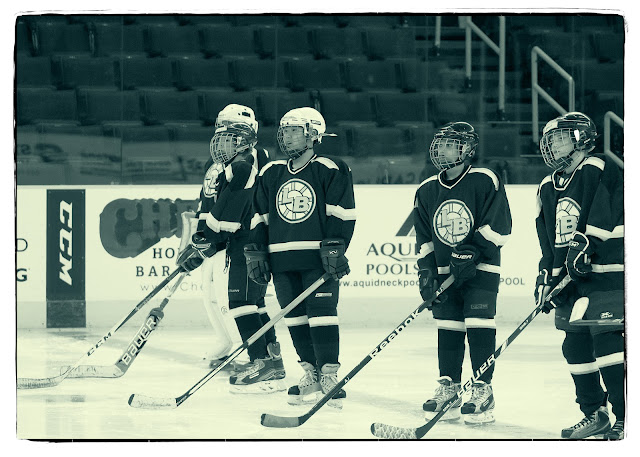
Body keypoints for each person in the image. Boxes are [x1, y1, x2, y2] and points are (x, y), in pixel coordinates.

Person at [246, 107, 356, 409]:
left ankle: (329, 375)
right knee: (294, 317)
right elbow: (260, 216)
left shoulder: (331, 168)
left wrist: (335, 247)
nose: (286, 135)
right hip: (282, 260)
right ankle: (309, 372)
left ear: (313, 134)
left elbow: (341, 212)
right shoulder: (271, 172)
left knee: (322, 312)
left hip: (317, 260)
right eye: (284, 130)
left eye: (294, 129)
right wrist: (256, 251)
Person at [177, 104, 287, 394]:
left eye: (230, 135)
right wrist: (205, 240)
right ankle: (271, 362)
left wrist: (207, 241)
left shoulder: (247, 163)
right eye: (220, 133)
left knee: (242, 304)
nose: (222, 140)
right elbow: (217, 209)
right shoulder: (236, 163)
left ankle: (261, 361)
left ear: (247, 137)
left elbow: (231, 209)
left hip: (252, 244)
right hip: (243, 242)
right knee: (255, 304)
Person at [413, 121, 512, 425]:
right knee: (448, 327)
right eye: (440, 144)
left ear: (467, 149)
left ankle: (483, 389)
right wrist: (426, 271)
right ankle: (449, 386)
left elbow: (500, 226)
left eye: (451, 144)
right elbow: (424, 238)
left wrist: (470, 250)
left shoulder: (485, 179)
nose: (442, 149)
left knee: (479, 322)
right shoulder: (427, 188)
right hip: (445, 272)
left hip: (481, 268)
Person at [534, 112, 624, 439]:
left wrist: (587, 243)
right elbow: (549, 241)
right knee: (574, 347)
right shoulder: (546, 187)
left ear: (581, 138)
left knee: (606, 344)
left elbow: (609, 212)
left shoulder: (597, 167)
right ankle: (595, 414)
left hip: (605, 272)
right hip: (571, 280)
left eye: (560, 137)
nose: (552, 144)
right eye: (551, 140)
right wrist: (548, 277)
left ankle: (626, 416)